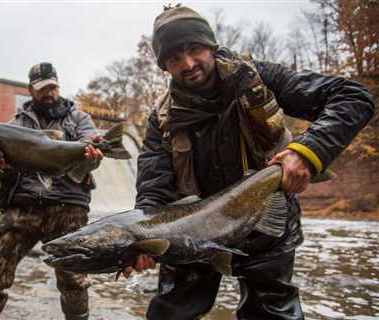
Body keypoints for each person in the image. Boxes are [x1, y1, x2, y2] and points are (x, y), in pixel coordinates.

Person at [124, 5, 375, 320]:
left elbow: (353, 97)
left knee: (271, 314)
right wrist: (141, 239)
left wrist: (307, 152)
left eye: (194, 49)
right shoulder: (160, 120)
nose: (188, 63)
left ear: (210, 47)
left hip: (266, 228)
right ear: (165, 66)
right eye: (174, 57)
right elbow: (153, 192)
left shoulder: (258, 78)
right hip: (190, 235)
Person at [0, 62, 103, 320]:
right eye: (42, 89)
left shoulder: (80, 119)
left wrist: (93, 157)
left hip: (68, 207)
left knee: (74, 280)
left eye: (52, 87)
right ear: (31, 90)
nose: (49, 94)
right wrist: (1, 166)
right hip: (23, 206)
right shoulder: (15, 124)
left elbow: (93, 161)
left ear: (58, 85)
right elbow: (2, 173)